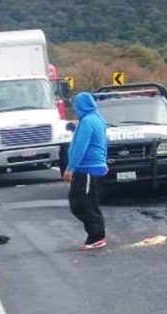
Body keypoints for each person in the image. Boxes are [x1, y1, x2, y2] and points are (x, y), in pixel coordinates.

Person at [64, 92, 108, 250]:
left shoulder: (87, 121)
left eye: (76, 105)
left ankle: (97, 236)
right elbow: (104, 142)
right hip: (89, 167)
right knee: (77, 203)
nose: (75, 108)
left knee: (87, 204)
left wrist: (70, 168)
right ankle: (96, 232)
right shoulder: (98, 118)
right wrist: (104, 160)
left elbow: (80, 145)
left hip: (87, 168)